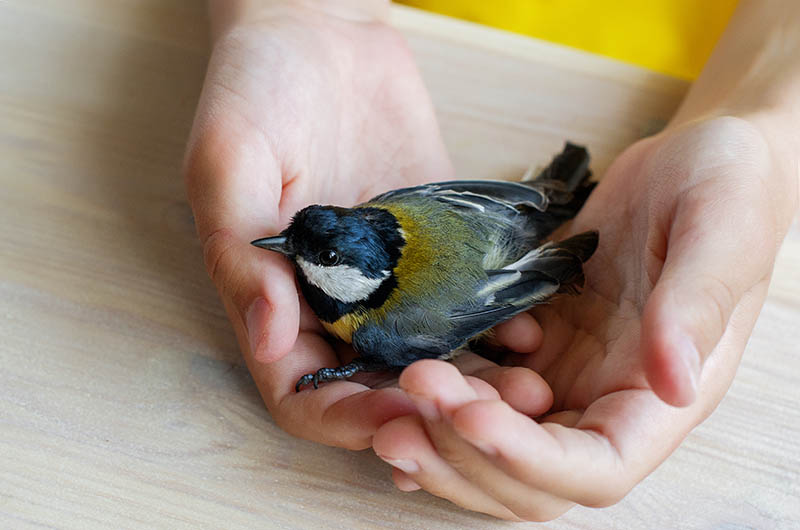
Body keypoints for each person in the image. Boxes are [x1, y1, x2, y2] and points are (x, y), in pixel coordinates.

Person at [183, 0, 799, 521]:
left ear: (359, 271)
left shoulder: (382, 323)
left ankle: (560, 192)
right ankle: (559, 190)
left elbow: (489, 302)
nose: (291, 255)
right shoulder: (384, 212)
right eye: (297, 246)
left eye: (317, 254)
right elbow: (465, 217)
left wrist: (768, 122)